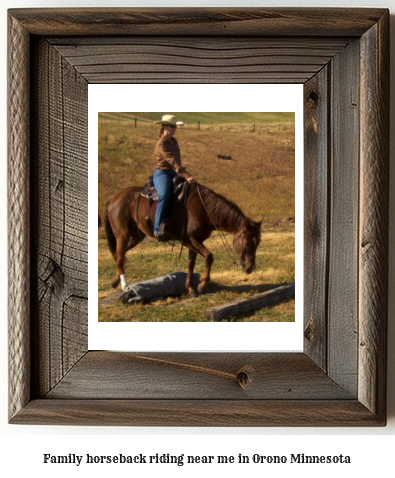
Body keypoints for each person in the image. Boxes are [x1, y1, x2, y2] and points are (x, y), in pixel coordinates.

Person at [152, 114, 195, 241]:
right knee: (164, 195)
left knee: (189, 191)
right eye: (171, 126)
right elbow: (171, 160)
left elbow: (178, 161)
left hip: (174, 172)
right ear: (164, 126)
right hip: (163, 173)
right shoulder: (162, 143)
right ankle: (156, 228)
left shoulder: (174, 141)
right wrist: (186, 175)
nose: (174, 128)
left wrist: (181, 172)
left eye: (175, 126)